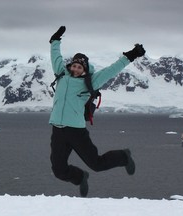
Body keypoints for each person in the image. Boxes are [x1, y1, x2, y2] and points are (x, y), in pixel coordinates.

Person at [49, 26, 146, 197]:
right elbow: (55, 56)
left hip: (76, 131)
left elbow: (112, 70)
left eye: (80, 67)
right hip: (58, 129)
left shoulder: (91, 81)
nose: (76, 69)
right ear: (71, 66)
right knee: (58, 170)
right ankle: (79, 177)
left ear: (85, 69)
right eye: (75, 65)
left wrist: (131, 54)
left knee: (97, 164)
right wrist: (55, 39)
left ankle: (123, 156)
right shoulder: (61, 75)